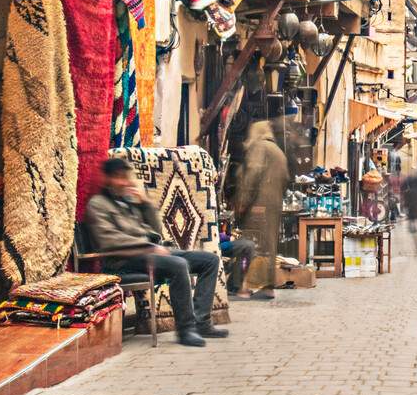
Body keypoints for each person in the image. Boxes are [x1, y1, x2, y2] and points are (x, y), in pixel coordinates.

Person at [85, 157, 225, 347]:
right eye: (118, 177)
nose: (124, 182)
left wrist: (144, 204)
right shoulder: (98, 204)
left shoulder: (129, 202)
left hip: (149, 254)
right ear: (107, 179)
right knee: (178, 265)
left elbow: (155, 229)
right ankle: (186, 330)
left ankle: (202, 323)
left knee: (209, 260)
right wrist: (148, 247)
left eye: (125, 177)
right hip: (123, 260)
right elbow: (109, 241)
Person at [231, 121, 288, 301]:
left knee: (254, 244)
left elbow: (252, 175)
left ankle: (246, 287)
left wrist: (242, 202)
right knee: (269, 246)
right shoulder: (278, 152)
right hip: (273, 206)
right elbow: (285, 179)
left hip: (258, 206)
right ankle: (268, 286)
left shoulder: (260, 147)